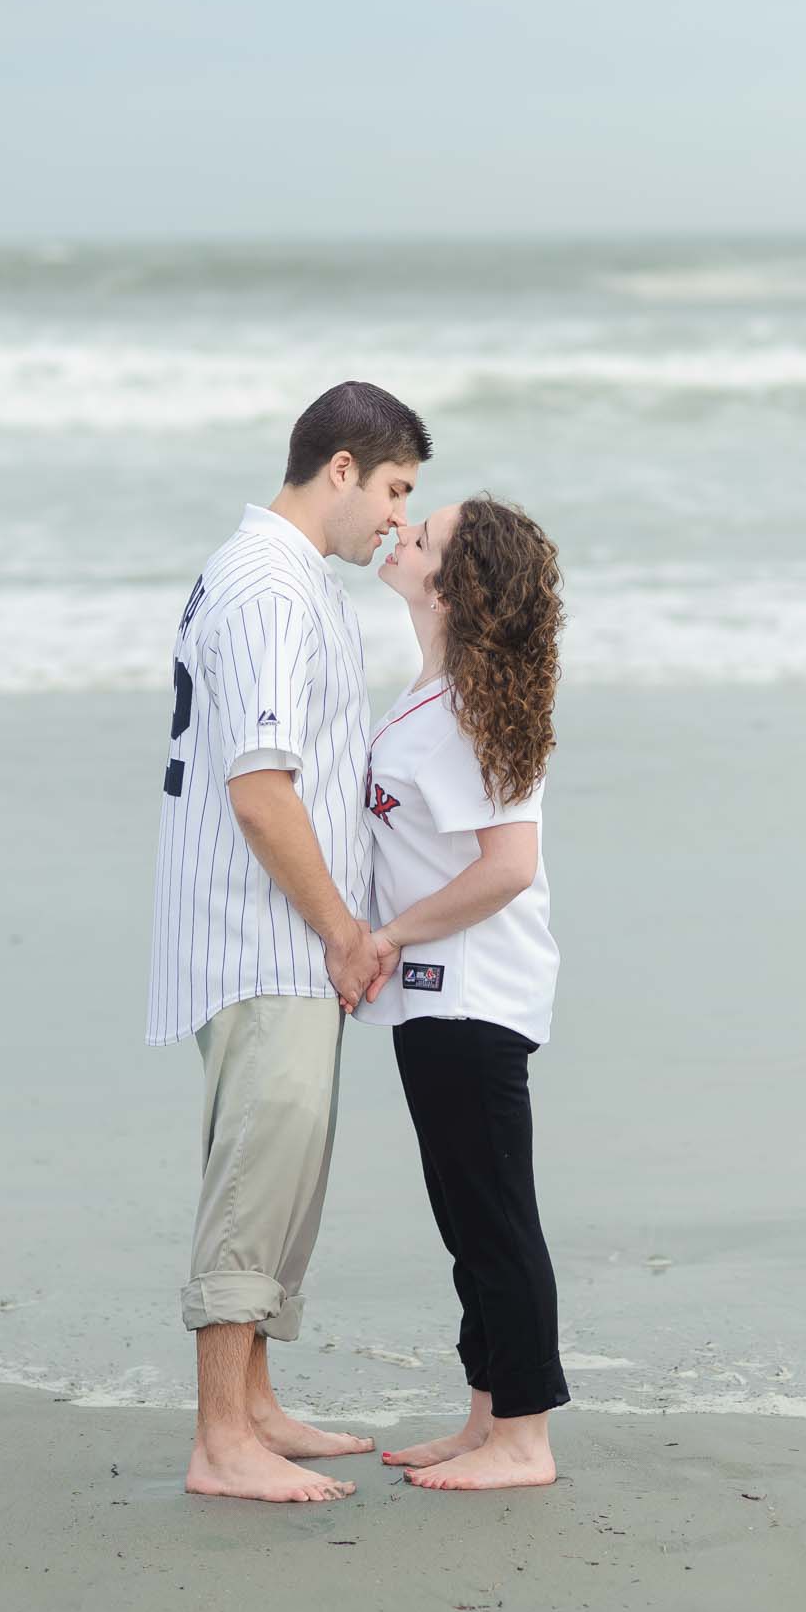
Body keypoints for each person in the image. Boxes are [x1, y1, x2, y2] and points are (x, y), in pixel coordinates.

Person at [146, 379, 431, 1504]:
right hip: (263, 928)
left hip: (274, 929)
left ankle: (255, 1404)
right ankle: (221, 1436)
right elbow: (262, 789)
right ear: (344, 468)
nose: (400, 523)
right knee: (258, 1167)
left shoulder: (280, 570)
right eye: (397, 490)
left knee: (284, 1163)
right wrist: (341, 925)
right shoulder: (268, 582)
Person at [356, 495, 570, 1491]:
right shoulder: (433, 693)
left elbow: (508, 865)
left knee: (492, 1216)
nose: (401, 537)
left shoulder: (475, 711)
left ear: (454, 584)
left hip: (470, 993)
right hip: (431, 996)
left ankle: (525, 1437)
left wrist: (388, 935)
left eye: (423, 535)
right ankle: (486, 1415)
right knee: (464, 1216)